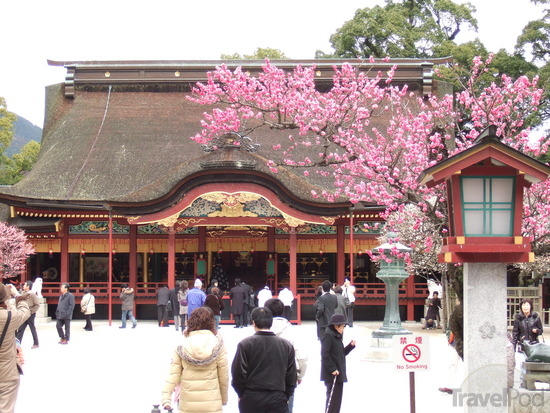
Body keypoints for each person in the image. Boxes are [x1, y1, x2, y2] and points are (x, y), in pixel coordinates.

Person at [161, 307, 229, 412]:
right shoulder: (217, 344)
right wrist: (223, 399)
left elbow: (173, 375)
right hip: (211, 400)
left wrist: (166, 398)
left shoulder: (182, 345)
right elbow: (223, 376)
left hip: (188, 402)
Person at [231, 307, 297, 413]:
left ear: (254, 323)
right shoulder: (286, 345)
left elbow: (238, 373)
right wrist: (287, 394)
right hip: (277, 395)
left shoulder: (245, 344)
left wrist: (241, 393)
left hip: (251, 396)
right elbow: (291, 375)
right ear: (270, 322)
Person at [265, 298, 307, 413]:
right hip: (287, 375)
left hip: (264, 377)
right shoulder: (291, 330)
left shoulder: (260, 331)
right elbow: (302, 357)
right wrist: (299, 375)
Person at [1, 284, 31, 413]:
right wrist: (17, 295)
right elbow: (25, 312)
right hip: (7, 371)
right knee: (5, 408)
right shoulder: (9, 316)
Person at [321, 313, 356, 413]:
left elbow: (340, 354)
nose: (343, 329)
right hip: (333, 374)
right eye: (343, 327)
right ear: (336, 326)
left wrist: (350, 346)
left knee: (336, 402)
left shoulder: (336, 335)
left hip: (338, 373)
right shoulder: (329, 335)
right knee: (332, 401)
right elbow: (324, 354)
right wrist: (332, 369)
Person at [16, 280, 40, 348]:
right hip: (24, 313)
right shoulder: (23, 293)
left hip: (30, 314)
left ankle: (36, 343)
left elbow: (37, 305)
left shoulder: (32, 294)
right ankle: (17, 343)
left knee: (32, 328)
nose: (24, 286)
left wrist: (31, 311)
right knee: (21, 329)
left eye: (25, 285)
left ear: (28, 286)